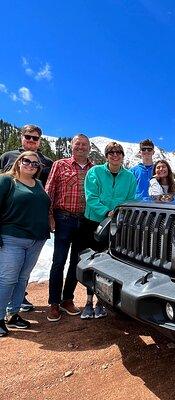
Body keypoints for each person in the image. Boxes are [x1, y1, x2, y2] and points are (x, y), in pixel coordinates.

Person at [81, 141, 138, 319]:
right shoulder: (95, 172)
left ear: (122, 156)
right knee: (91, 262)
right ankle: (88, 302)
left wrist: (119, 214)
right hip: (94, 223)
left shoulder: (129, 177)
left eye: (118, 152)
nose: (115, 155)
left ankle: (101, 303)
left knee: (110, 264)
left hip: (116, 226)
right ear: (106, 156)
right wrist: (107, 212)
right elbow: (91, 197)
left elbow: (131, 199)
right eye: (111, 152)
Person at [0, 124, 53, 312]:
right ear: (22, 137)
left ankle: (15, 306)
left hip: (35, 231)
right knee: (8, 275)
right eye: (28, 137)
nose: (31, 140)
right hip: (11, 229)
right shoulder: (6, 161)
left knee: (22, 275)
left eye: (35, 138)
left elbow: (48, 192)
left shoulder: (45, 165)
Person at [45, 134, 93, 322]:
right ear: (71, 146)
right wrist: (50, 216)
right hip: (63, 218)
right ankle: (54, 303)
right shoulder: (60, 164)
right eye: (77, 144)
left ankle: (67, 299)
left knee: (76, 262)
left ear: (89, 148)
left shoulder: (94, 169)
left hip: (84, 221)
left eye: (84, 145)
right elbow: (49, 190)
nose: (81, 147)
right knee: (59, 261)